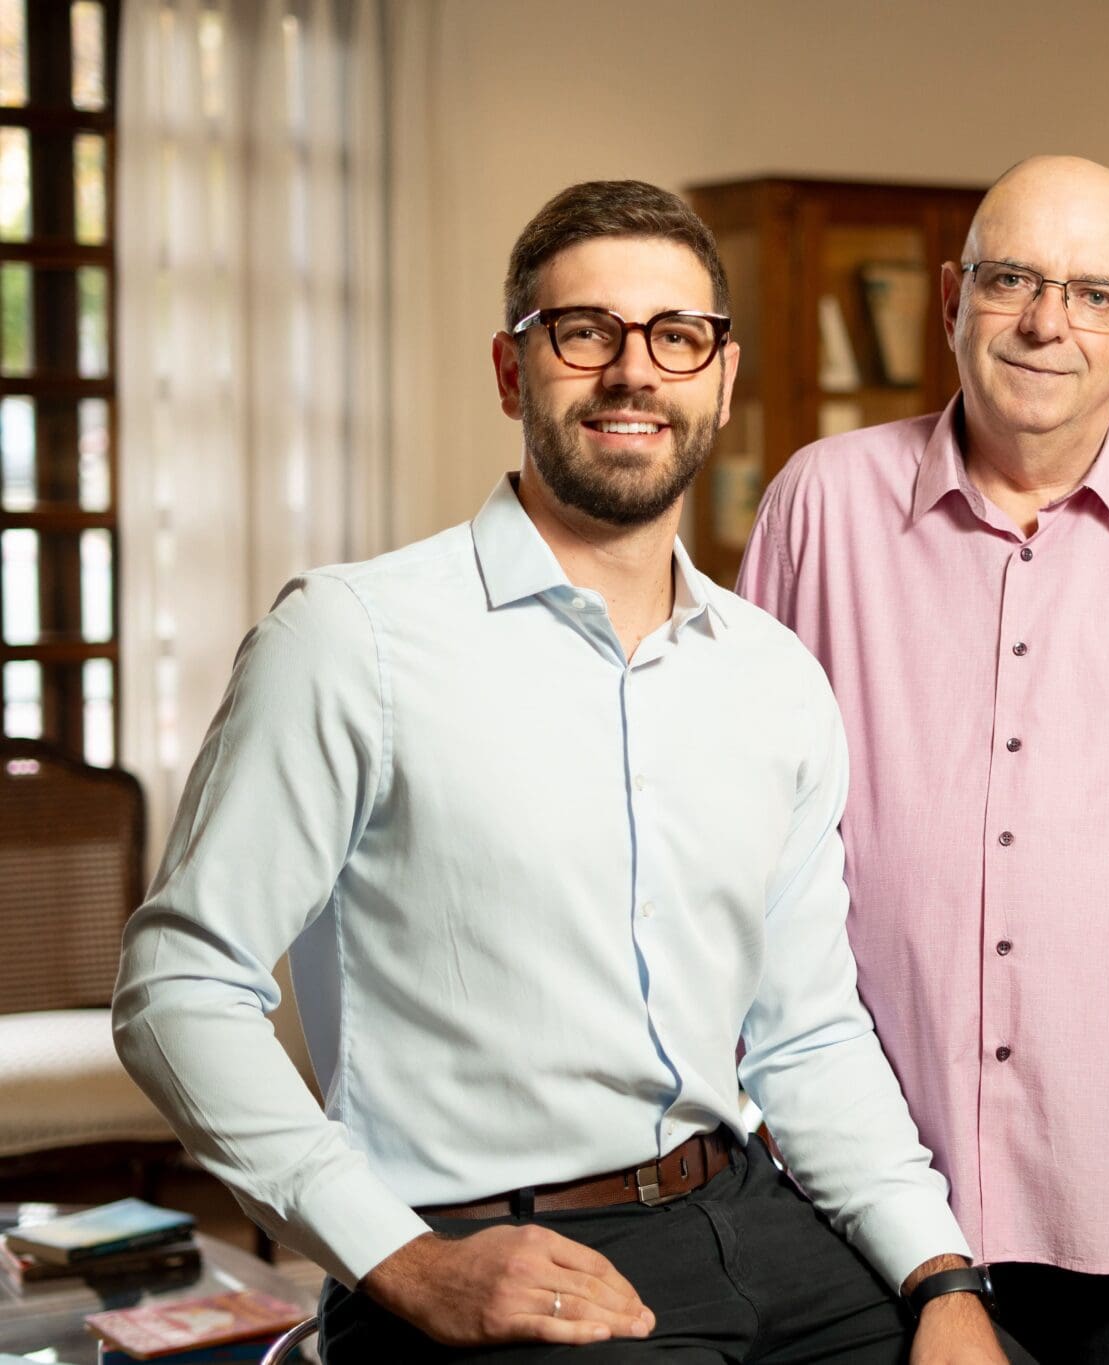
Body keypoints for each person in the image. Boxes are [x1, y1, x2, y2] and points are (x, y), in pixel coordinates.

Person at [113, 179, 1026, 1365]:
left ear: (720, 378)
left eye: (675, 337)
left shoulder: (773, 677)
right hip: (497, 1248)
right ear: (511, 372)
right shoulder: (351, 639)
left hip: (756, 1226)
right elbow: (179, 983)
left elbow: (804, 1035)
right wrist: (401, 1259)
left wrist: (939, 1274)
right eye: (584, 332)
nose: (633, 373)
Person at [736, 155, 1109, 1363]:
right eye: (1011, 278)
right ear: (953, 295)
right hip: (853, 1184)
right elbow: (740, 838)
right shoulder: (819, 504)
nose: (1043, 322)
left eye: (1092, 294)